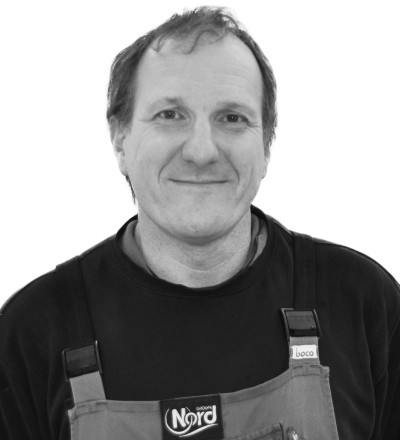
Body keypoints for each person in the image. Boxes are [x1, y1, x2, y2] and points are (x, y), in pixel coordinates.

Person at [0, 6, 399, 440]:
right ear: (120, 138)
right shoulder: (31, 334)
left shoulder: (361, 303)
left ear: (266, 145)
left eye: (232, 118)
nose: (202, 151)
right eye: (170, 115)